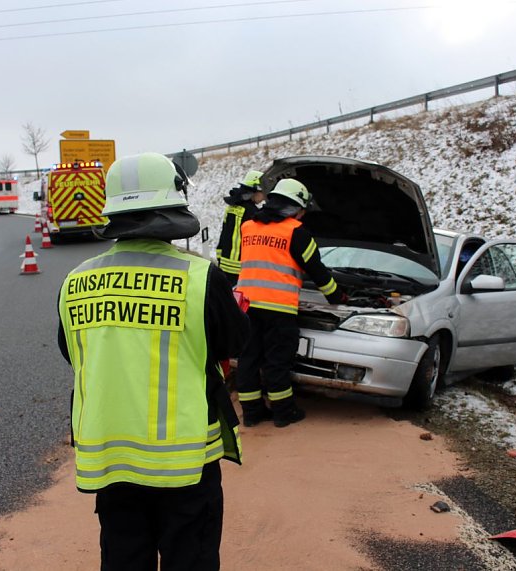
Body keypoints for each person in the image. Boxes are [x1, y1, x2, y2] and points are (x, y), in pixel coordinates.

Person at [57, 152, 249, 571]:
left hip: (112, 462)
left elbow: (72, 352)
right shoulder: (200, 278)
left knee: (124, 560)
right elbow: (232, 344)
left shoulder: (75, 281)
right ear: (173, 204)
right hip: (186, 463)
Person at [234, 178, 345, 428]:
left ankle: (252, 413)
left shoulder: (248, 227)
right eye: (303, 210)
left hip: (247, 306)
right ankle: (284, 412)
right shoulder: (296, 231)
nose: (303, 215)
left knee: (248, 360)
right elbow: (317, 272)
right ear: (296, 208)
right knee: (277, 361)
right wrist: (337, 297)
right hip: (278, 309)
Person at [214, 170, 265, 285]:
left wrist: (220, 257)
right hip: (240, 267)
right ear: (255, 191)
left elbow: (224, 234)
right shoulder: (253, 212)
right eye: (263, 192)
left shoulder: (232, 207)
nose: (263, 197)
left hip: (225, 262)